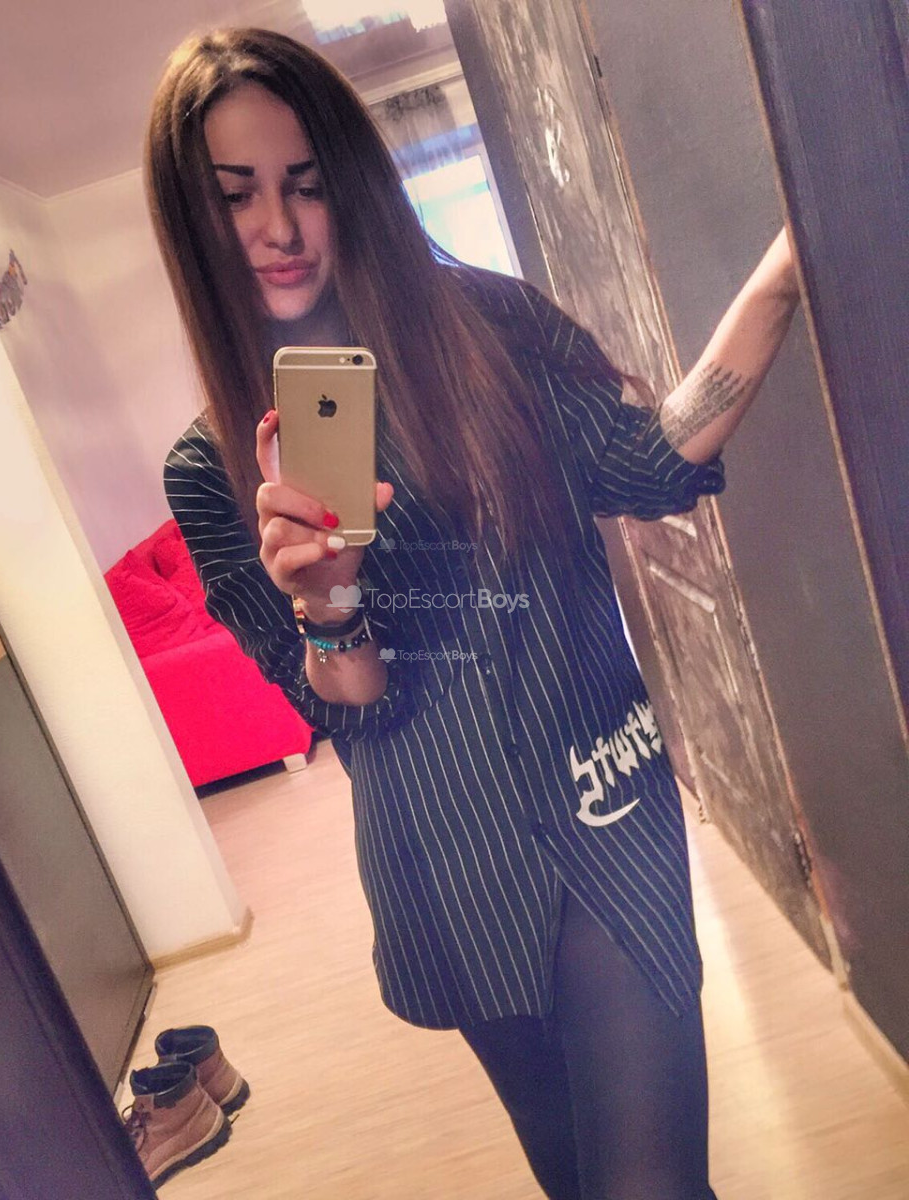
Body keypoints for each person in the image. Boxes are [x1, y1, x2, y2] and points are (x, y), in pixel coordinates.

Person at [146, 27, 801, 1200]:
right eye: (235, 195)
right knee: (573, 1178)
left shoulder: (484, 329)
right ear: (191, 220)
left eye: (305, 184)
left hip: (603, 805)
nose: (278, 228)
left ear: (351, 184)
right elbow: (345, 708)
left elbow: (652, 463)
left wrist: (787, 271)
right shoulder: (211, 468)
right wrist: (330, 605)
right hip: (448, 866)